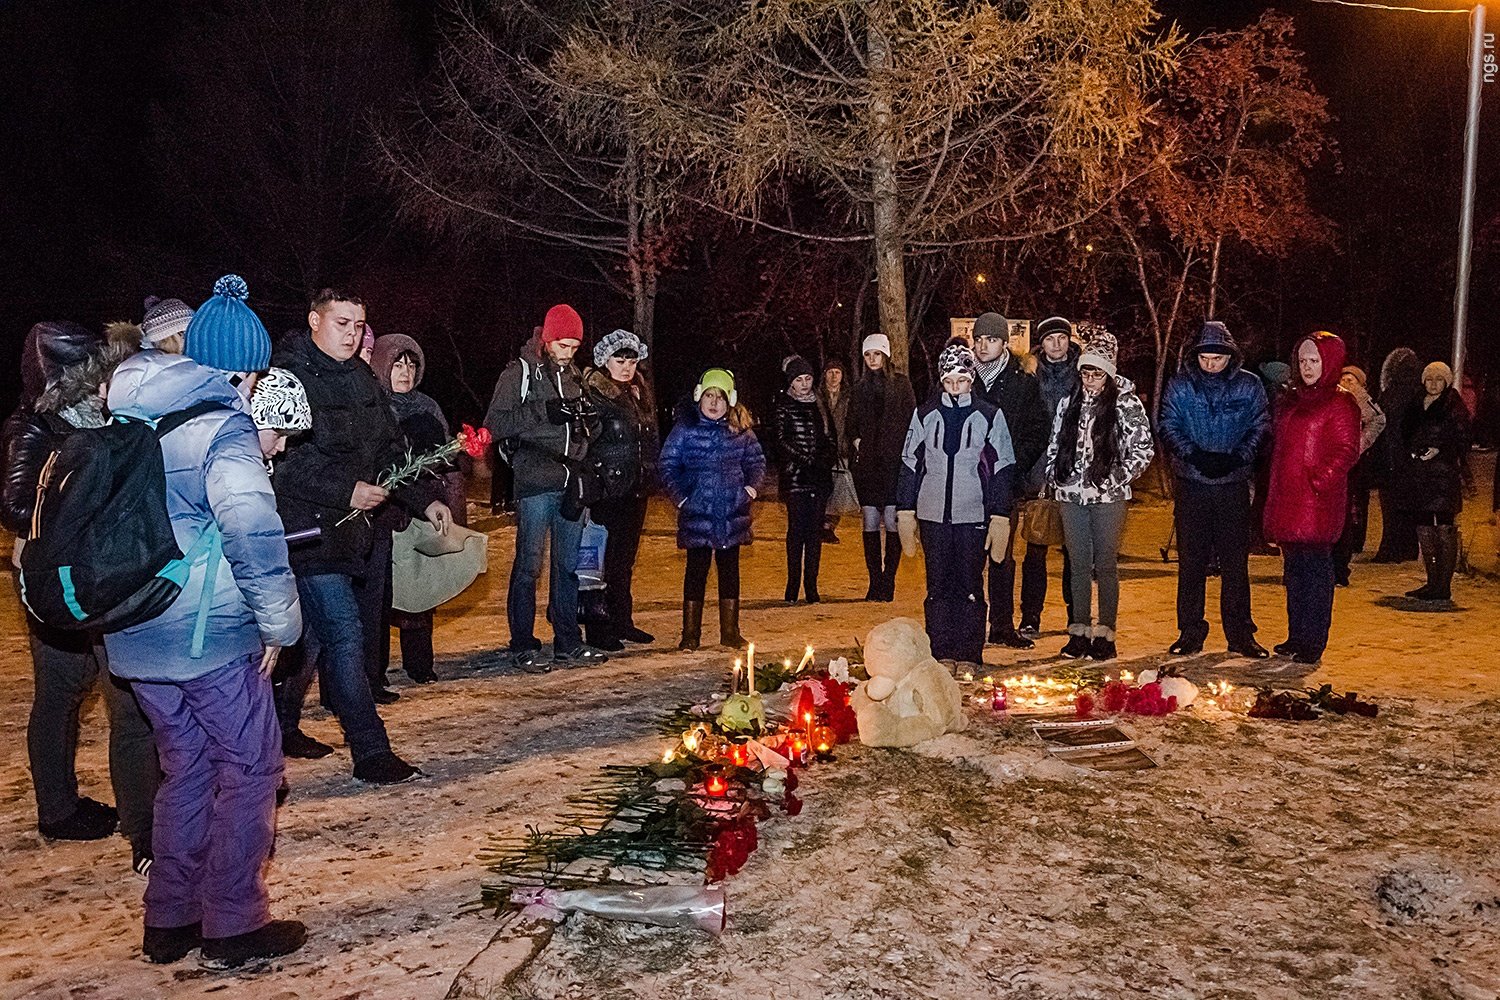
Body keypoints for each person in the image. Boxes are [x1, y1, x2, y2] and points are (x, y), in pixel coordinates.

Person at [106, 274, 305, 968]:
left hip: (135, 628)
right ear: (242, 369)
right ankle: (232, 922)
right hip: (207, 633)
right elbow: (251, 527)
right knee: (249, 768)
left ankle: (169, 919)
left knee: (186, 768)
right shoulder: (222, 425)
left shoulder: (127, 414)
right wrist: (279, 623)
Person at [271, 288, 446, 782]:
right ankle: (370, 751)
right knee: (346, 635)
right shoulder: (289, 378)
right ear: (314, 321)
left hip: (351, 534)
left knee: (310, 639)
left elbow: (390, 451)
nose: (351, 334)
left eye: (357, 325)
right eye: (341, 323)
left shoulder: (363, 379)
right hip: (306, 531)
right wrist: (345, 490)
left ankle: (280, 725)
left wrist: (424, 498)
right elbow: (282, 463)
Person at [2, 323, 159, 869]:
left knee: (122, 696)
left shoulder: (105, 421)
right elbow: (16, 507)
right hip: (54, 581)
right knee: (67, 695)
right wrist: (80, 506)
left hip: (103, 577)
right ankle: (60, 809)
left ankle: (139, 819)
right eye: (99, 374)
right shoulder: (33, 426)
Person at [484, 304, 608, 671]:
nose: (568, 353)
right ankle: (523, 642)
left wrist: (590, 421)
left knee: (568, 565)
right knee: (529, 566)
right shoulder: (519, 373)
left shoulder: (576, 377)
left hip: (571, 481)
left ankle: (568, 640)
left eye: (574, 346)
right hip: (536, 481)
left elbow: (585, 431)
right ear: (548, 339)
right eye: (563, 345)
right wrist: (544, 413)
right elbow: (494, 423)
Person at [895, 341, 1017, 665]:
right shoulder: (924, 414)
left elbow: (1003, 466)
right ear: (941, 380)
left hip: (972, 514)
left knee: (969, 585)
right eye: (949, 381)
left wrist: (1000, 515)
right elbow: (910, 463)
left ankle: (969, 654)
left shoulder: (990, 416)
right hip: (933, 515)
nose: (955, 386)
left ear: (971, 379)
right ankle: (941, 651)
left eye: (961, 380)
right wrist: (905, 511)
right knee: (937, 586)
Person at [1157, 321, 1272, 658]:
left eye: (1217, 358)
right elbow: (1168, 423)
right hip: (1192, 483)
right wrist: (1193, 454)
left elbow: (1261, 425)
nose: (1211, 364)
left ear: (1229, 357)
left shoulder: (1249, 386)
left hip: (1232, 485)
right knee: (1191, 563)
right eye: (1206, 358)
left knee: (1235, 564)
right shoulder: (1181, 386)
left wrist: (1238, 457)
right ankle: (1190, 631)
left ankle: (1240, 634)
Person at [1043, 326, 1155, 661]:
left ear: (1108, 373)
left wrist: (1114, 478)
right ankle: (1078, 631)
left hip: (1107, 498)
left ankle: (1106, 632)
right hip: (1071, 496)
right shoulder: (1069, 402)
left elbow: (1143, 449)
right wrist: (1055, 475)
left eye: (1096, 373)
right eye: (1085, 372)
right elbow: (1055, 442)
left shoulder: (1125, 403)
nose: (1090, 379)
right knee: (1077, 564)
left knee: (1104, 563)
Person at [1263, 332, 1362, 664]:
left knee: (1316, 573)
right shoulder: (1291, 400)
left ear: (1329, 362)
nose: (1307, 367)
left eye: (1315, 361)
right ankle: (1296, 635)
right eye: (1303, 360)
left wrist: (1320, 479)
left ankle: (1313, 640)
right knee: (1294, 573)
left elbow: (1347, 449)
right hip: (1290, 500)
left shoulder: (1340, 402)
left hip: (1317, 503)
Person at [371, 333, 464, 681]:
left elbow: (447, 456)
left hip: (426, 502)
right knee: (382, 593)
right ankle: (374, 670)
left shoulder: (427, 406)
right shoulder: (375, 406)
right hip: (387, 508)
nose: (406, 371)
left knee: (422, 584)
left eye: (411, 364)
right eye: (398, 364)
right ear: (382, 365)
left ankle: (420, 663)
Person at [658, 368, 766, 651]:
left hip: (732, 513)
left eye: (720, 397)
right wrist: (682, 497)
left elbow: (757, 463)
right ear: (699, 397)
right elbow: (668, 464)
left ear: (729, 400)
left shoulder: (741, 430)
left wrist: (750, 490)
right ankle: (690, 634)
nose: (714, 403)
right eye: (709, 395)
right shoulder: (685, 429)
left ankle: (730, 631)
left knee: (730, 571)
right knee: (696, 571)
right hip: (698, 512)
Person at [969, 312, 1048, 649]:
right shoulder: (964, 379)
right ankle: (970, 624)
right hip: (966, 484)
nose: (983, 345)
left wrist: (1017, 465)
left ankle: (1001, 625)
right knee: (970, 557)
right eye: (979, 339)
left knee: (1002, 554)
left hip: (1004, 484)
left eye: (991, 339)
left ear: (1004, 343)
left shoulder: (1022, 382)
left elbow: (1037, 429)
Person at [582, 329, 658, 650]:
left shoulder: (639, 391)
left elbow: (649, 436)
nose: (627, 366)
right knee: (599, 560)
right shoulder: (594, 393)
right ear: (605, 360)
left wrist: (652, 470)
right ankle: (600, 628)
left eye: (631, 360)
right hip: (606, 490)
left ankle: (622, 620)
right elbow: (585, 440)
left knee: (624, 560)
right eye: (619, 359)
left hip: (635, 489)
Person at [1018, 316, 1081, 638]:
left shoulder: (1084, 373)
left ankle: (1076, 614)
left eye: (1061, 337)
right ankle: (1031, 615)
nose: (1056, 344)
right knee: (1036, 545)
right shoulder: (1029, 374)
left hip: (1074, 470)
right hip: (1038, 469)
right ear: (1041, 343)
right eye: (1050, 338)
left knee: (1075, 548)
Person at [1391, 361, 1471, 602]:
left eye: (1439, 379)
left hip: (1442, 477)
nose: (1433, 384)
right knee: (1424, 527)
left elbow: (1462, 438)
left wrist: (1441, 449)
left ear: (1446, 382)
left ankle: (1442, 585)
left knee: (1443, 527)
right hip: (1417, 475)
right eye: (1429, 379)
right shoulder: (1415, 404)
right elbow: (1404, 433)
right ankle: (1432, 582)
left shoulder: (1453, 406)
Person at [847, 334, 917, 601]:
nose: (872, 359)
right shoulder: (859, 387)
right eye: (868, 354)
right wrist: (856, 441)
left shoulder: (901, 385)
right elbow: (851, 422)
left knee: (891, 520)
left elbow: (912, 421)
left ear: (886, 355)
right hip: (867, 465)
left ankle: (889, 580)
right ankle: (874, 580)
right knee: (870, 522)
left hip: (893, 463)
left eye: (877, 354)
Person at [774, 356, 837, 603]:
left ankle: (811, 586)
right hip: (796, 477)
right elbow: (780, 440)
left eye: (808, 379)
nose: (804, 384)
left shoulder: (819, 404)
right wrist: (805, 459)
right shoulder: (784, 405)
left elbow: (830, 437)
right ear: (791, 382)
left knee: (814, 534)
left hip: (819, 479)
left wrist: (825, 458)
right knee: (796, 532)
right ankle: (792, 586)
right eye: (799, 380)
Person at [1332, 366, 1387, 586]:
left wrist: (1361, 443)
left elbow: (1379, 420)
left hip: (1353, 464)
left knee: (1346, 513)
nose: (1347, 383)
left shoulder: (1365, 402)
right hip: (1332, 460)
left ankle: (1340, 567)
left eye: (1352, 380)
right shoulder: (1334, 398)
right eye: (1343, 378)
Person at [1372, 347, 1423, 563]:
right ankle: (1407, 547)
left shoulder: (1391, 394)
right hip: (1409, 458)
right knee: (1407, 505)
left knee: (1392, 507)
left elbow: (1385, 426)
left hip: (1393, 457)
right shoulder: (1419, 394)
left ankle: (1392, 548)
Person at [820, 359, 851, 543]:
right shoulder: (817, 396)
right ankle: (819, 524)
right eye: (830, 372)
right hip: (822, 450)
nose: (833, 377)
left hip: (841, 450)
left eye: (837, 372)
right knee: (823, 488)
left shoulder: (848, 397)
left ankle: (829, 526)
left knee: (838, 490)